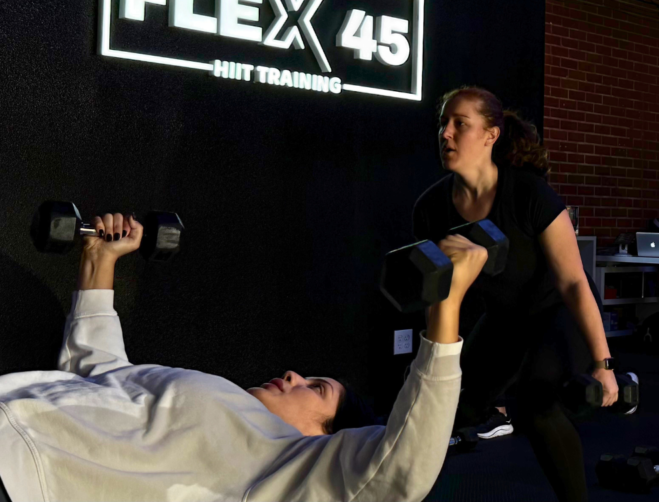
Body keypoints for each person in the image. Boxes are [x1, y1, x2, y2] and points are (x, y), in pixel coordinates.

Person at [0, 212, 485, 502]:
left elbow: (403, 468)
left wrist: (446, 306)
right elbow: (101, 372)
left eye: (315, 389)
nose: (293, 374)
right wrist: (99, 259)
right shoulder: (225, 406)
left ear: (325, 440)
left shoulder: (283, 469)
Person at [413, 86, 622, 502]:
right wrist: (432, 372)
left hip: (556, 311)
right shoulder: (432, 209)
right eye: (443, 124)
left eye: (460, 124)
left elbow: (574, 283)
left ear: (491, 134)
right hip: (506, 318)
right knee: (448, 408)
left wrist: (604, 364)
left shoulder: (528, 193)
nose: (446, 134)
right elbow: (436, 298)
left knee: (536, 405)